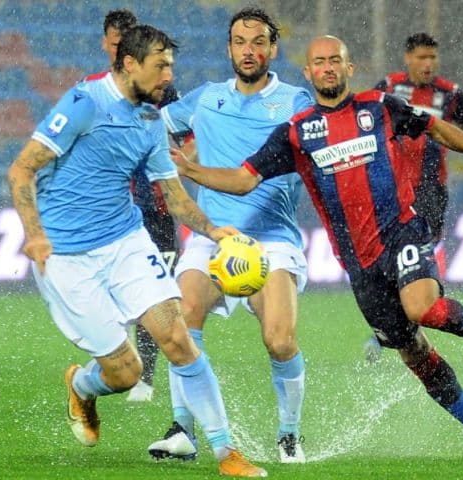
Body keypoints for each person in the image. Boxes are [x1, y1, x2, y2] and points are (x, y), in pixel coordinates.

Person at [170, 35, 463, 466]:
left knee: (423, 308)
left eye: (335, 61)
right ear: (308, 72)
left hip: (401, 231)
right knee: (414, 352)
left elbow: (435, 127)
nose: (327, 68)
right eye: (319, 62)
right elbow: (245, 180)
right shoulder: (297, 133)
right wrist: (190, 169)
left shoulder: (379, 107)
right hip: (359, 264)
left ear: (348, 67)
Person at [7, 25, 266, 478]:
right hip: (66, 256)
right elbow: (21, 169)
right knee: (126, 372)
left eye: (170, 65)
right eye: (160, 65)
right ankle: (82, 385)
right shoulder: (85, 103)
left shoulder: (150, 121)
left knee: (177, 338)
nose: (169, 75)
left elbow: (176, 198)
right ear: (129, 64)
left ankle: (227, 453)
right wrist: (34, 234)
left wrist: (214, 232)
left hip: (126, 240)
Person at [147, 7, 314, 464]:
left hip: (272, 237)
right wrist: (168, 152)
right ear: (228, 48)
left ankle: (289, 434)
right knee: (182, 317)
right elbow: (153, 124)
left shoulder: (296, 103)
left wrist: (189, 165)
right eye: (240, 41)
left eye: (258, 41)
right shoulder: (206, 98)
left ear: (272, 49)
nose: (248, 50)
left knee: (280, 339)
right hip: (212, 234)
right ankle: (183, 429)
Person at [364, 32, 463, 362]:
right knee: (389, 255)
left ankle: (423, 305)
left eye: (432, 58)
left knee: (423, 253)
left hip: (431, 191)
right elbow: (366, 125)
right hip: (392, 187)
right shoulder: (389, 87)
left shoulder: (450, 95)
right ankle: (394, 321)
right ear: (408, 59)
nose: (428, 64)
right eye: (421, 57)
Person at [84, 8, 186, 402]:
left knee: (154, 293)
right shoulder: (93, 92)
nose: (119, 47)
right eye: (114, 42)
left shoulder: (163, 90)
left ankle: (145, 374)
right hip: (108, 211)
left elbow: (182, 140)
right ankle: (117, 358)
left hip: (156, 210)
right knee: (108, 293)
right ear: (107, 45)